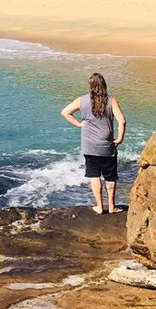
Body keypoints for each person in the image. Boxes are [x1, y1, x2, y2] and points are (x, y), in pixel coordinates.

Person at [61, 72, 126, 214]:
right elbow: (122, 120)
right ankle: (111, 206)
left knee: (94, 175)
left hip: (90, 147)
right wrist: (120, 138)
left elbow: (65, 112)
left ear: (90, 86)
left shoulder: (82, 100)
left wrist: (79, 124)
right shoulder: (111, 100)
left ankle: (99, 206)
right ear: (104, 85)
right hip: (107, 147)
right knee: (110, 177)